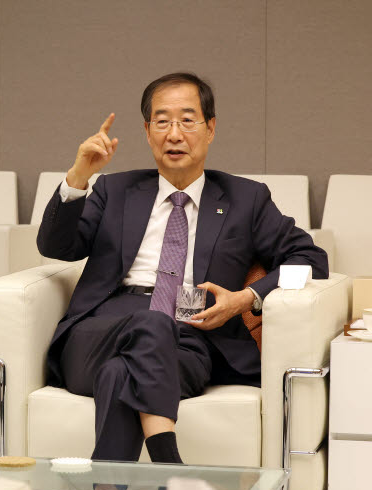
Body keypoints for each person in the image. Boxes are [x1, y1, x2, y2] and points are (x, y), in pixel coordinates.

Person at [37, 72, 328, 464]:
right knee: (151, 322)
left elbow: (311, 259)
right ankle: (169, 465)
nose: (174, 134)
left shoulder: (245, 199)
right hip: (99, 334)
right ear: (146, 130)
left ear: (210, 129)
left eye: (187, 120)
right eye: (162, 121)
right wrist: (79, 177)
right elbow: (56, 247)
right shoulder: (113, 190)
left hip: (191, 339)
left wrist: (246, 299)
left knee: (119, 376)